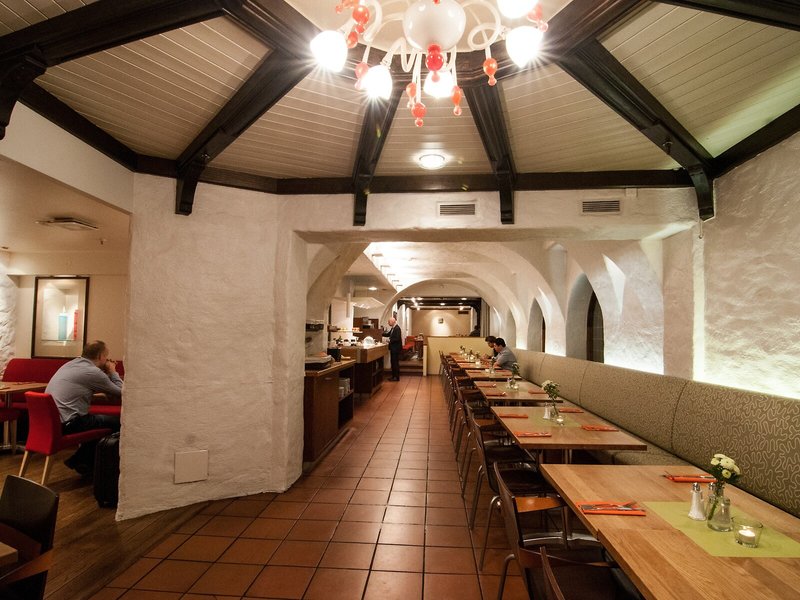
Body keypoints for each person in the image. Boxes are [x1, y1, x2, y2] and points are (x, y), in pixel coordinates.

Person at [45, 340, 122, 475]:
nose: (107, 359)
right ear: (100, 356)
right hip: (70, 424)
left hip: (51, 422)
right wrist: (113, 371)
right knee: (120, 423)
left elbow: (76, 393)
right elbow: (123, 392)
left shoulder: (69, 365)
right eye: (106, 356)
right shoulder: (92, 372)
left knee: (98, 423)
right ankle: (84, 462)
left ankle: (82, 462)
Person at [386, 317, 402, 381]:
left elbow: (397, 338)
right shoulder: (393, 328)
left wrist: (390, 340)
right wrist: (380, 333)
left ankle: (396, 377)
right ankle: (393, 376)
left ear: (393, 322)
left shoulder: (397, 328)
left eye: (389, 322)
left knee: (395, 363)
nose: (388, 323)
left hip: (395, 348)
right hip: (393, 348)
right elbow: (388, 334)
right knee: (393, 362)